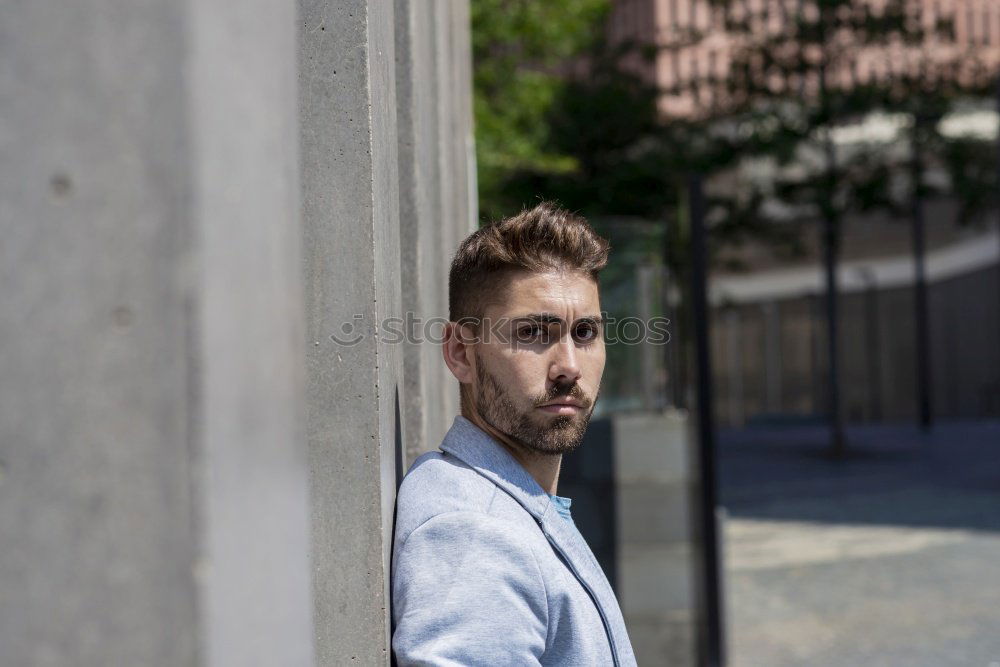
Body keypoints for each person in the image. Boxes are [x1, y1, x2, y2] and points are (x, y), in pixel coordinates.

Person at [391, 202, 636, 665]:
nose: (568, 366)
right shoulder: (474, 533)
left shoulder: (510, 503)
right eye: (533, 333)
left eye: (584, 332)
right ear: (462, 353)